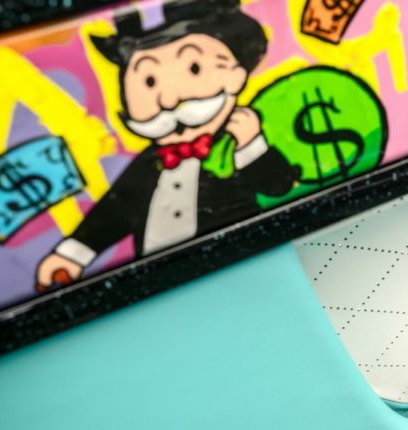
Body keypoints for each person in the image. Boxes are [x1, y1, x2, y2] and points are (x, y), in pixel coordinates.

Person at [35, 0, 300, 290]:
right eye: (149, 81)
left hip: (245, 266)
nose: (169, 100)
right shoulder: (152, 161)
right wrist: (73, 254)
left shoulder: (235, 143)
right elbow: (119, 209)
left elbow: (278, 187)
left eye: (194, 68)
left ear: (236, 77)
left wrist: (252, 146)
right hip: (153, 279)